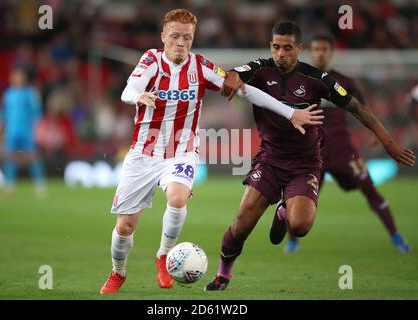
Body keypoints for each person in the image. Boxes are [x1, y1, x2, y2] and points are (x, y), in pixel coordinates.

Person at [99, 10, 323, 295]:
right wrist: (138, 96)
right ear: (163, 36)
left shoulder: (201, 66)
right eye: (175, 36)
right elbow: (128, 89)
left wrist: (290, 112)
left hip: (182, 152)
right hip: (143, 154)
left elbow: (244, 90)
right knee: (125, 227)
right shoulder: (151, 60)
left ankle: (164, 256)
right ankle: (118, 273)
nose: (181, 42)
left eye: (187, 37)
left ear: (193, 38)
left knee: (178, 199)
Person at [205, 21, 415, 291]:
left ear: (299, 49)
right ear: (271, 46)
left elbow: (358, 108)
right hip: (269, 159)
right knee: (242, 224)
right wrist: (232, 75)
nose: (281, 53)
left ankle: (283, 211)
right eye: (276, 47)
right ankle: (223, 274)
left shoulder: (317, 79)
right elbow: (234, 74)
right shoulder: (260, 68)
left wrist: (389, 143)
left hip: (305, 164)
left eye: (288, 48)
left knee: (301, 225)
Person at [284, 35, 410, 253]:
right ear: (310, 52)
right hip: (314, 154)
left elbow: (363, 108)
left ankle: (396, 236)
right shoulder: (300, 81)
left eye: (324, 49)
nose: (320, 53)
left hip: (345, 152)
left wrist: (372, 132)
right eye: (316, 49)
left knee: (370, 189)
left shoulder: (345, 82)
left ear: (331, 52)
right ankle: (293, 241)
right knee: (299, 199)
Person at [0, 67, 46, 196]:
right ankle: (9, 185)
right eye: (14, 76)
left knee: (33, 157)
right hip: (12, 132)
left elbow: (37, 113)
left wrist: (38, 128)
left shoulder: (30, 93)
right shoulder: (8, 94)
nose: (16, 78)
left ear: (23, 78)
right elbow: (3, 113)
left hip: (27, 132)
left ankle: (39, 183)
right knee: (10, 158)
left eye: (18, 76)